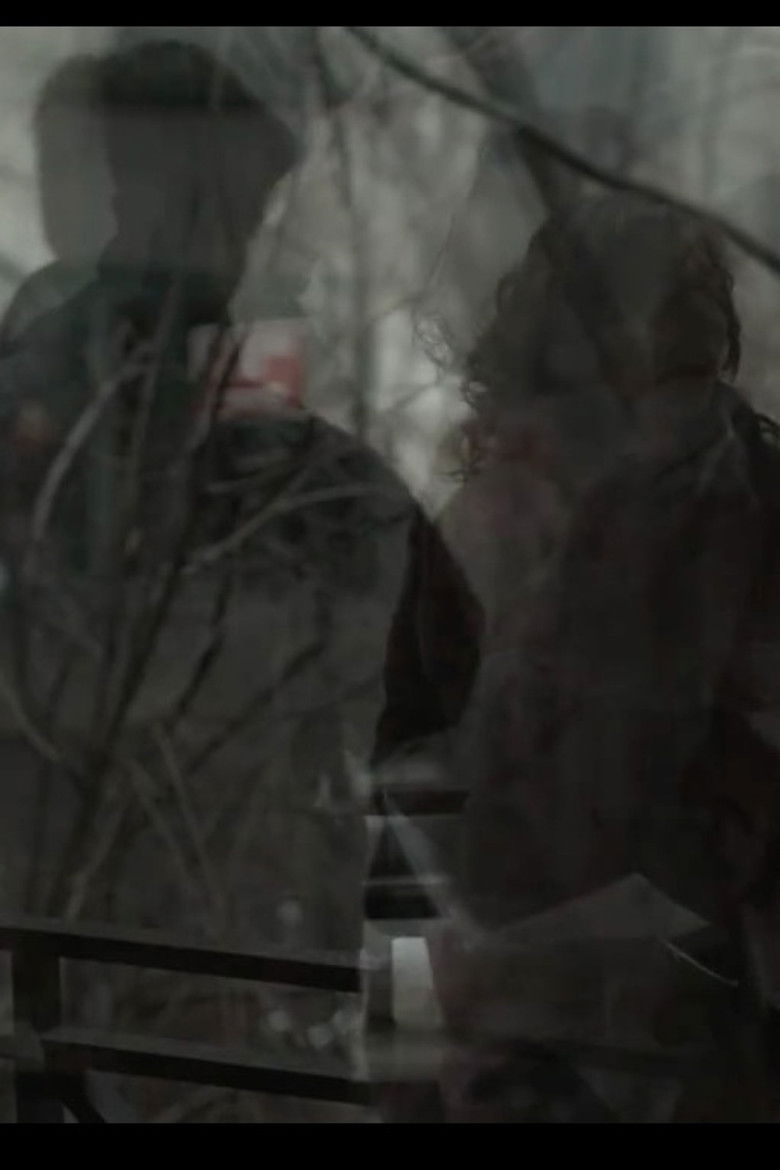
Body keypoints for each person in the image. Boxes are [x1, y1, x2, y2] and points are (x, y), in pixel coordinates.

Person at [375, 191, 780, 1121]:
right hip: (538, 1062)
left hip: (685, 1057)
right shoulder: (489, 533)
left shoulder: (748, 528)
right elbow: (406, 816)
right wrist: (412, 1073)